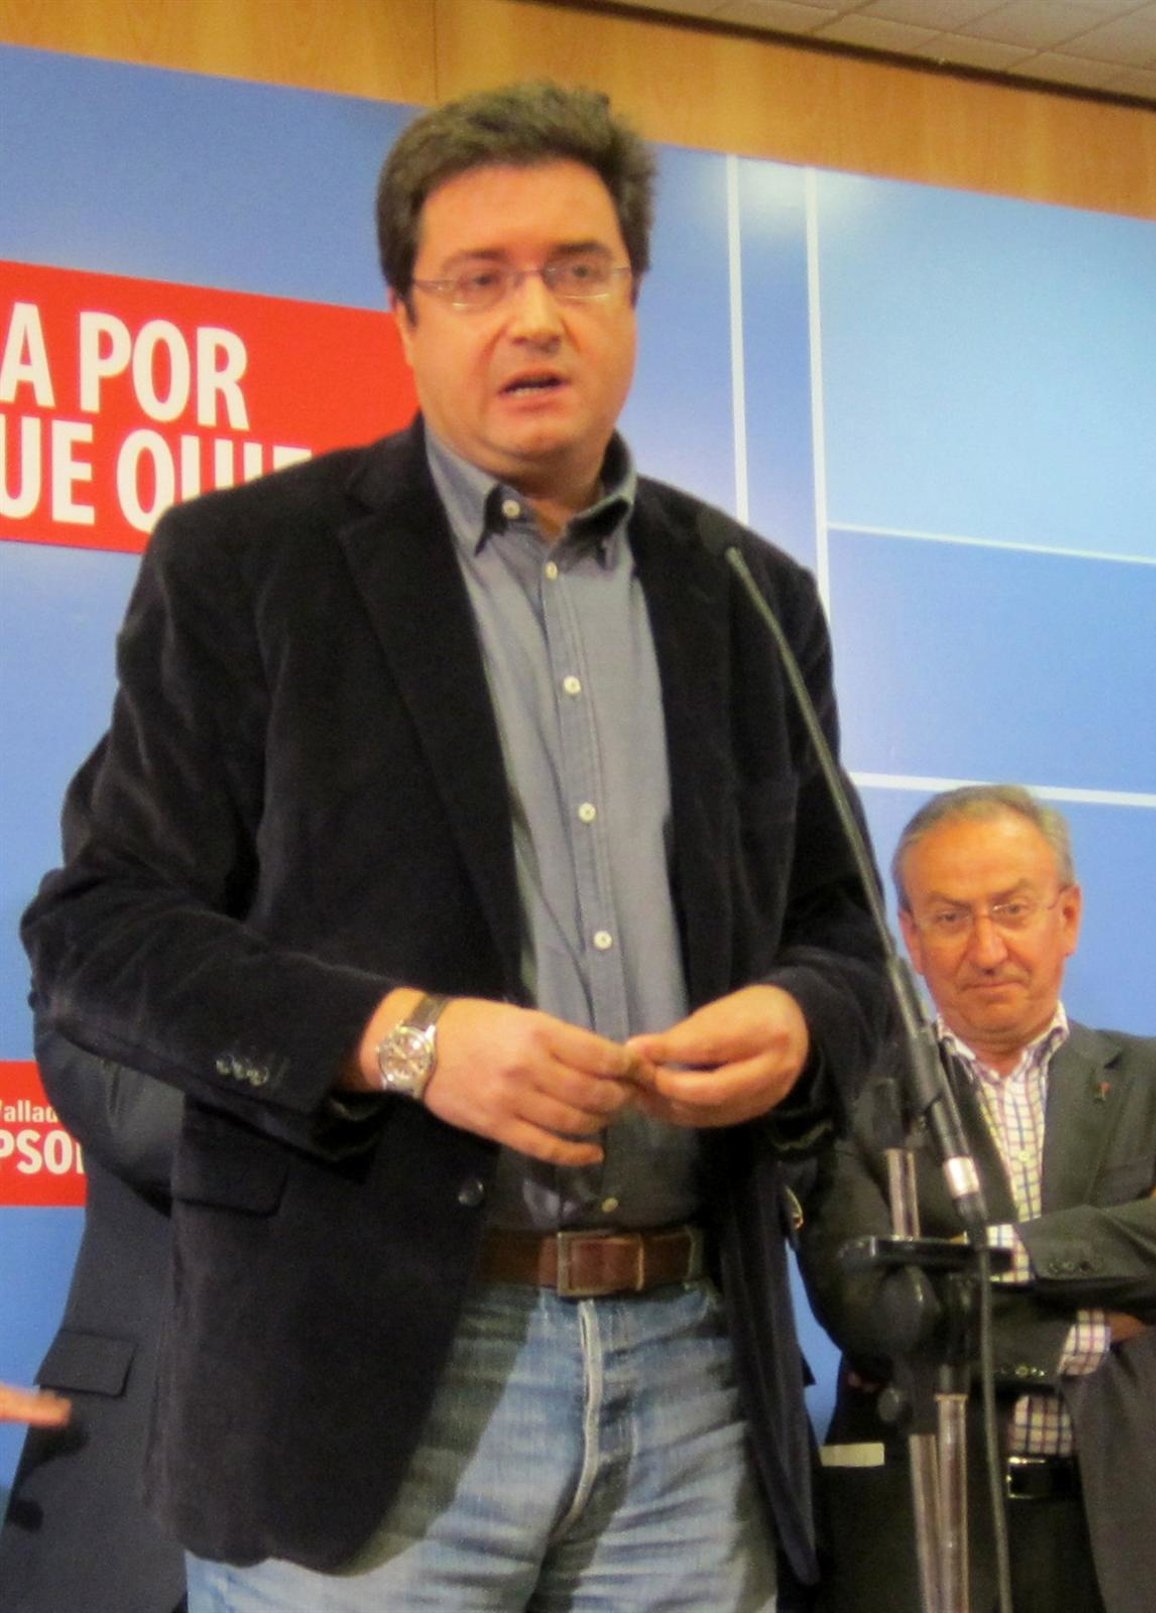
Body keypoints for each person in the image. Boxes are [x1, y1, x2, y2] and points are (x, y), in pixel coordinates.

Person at [19, 82, 889, 1612]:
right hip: (370, 1382)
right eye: (479, 279)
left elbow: (847, 939)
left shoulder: (753, 594)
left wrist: (799, 1017)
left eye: (577, 269)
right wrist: (402, 1039)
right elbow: (99, 931)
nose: (533, 315)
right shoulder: (248, 566)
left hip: (695, 1380)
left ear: (632, 298)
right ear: (408, 321)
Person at [799, 784, 1156, 1613]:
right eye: (950, 917)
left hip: (1137, 1532)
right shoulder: (852, 1098)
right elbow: (875, 1308)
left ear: (1068, 916)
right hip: (924, 1530)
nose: (987, 949)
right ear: (911, 937)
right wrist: (1100, 1322)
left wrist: (999, 1253)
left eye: (1012, 909)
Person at [0, 1027, 186, 1612]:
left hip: (374, 1445)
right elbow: (136, 1123)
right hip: (121, 1461)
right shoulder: (105, 967)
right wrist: (341, 1067)